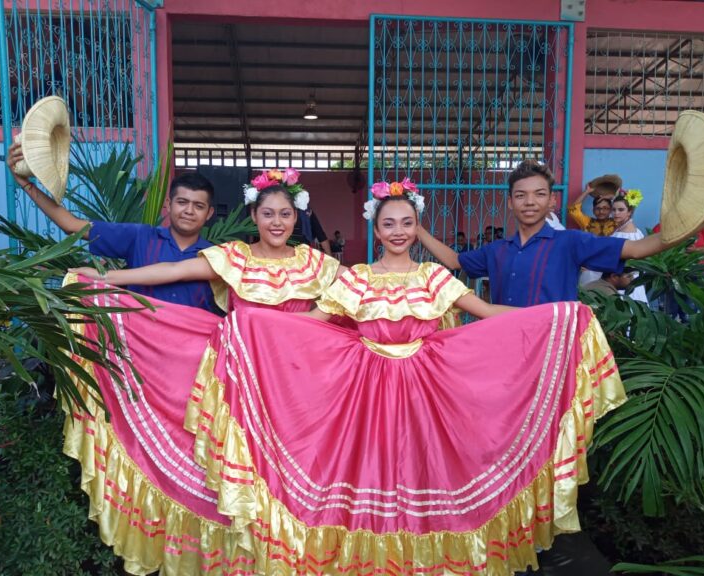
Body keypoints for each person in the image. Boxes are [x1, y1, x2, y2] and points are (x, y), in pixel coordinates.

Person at [175, 179, 626, 574]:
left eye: (406, 223)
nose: (397, 232)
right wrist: (252, 325)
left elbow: (487, 314)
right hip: (364, 388)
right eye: (389, 224)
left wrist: (557, 317)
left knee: (425, 468)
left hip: (427, 388)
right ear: (376, 229)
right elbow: (311, 320)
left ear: (417, 228)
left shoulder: (434, 276)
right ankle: (363, 557)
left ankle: (423, 559)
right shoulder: (357, 279)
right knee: (367, 472)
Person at [64, 169, 342, 574]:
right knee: (239, 474)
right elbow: (171, 271)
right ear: (254, 215)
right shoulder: (234, 257)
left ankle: (287, 560)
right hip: (241, 386)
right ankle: (238, 561)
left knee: (289, 479)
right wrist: (107, 278)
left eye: (284, 214)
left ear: (295, 218)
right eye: (268, 214)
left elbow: (351, 297)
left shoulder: (318, 264)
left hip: (298, 389)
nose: (277, 222)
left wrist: (308, 326)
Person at [417, 159, 704, 307]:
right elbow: (456, 260)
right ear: (510, 202)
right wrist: (417, 230)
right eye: (521, 195)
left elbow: (634, 250)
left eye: (539, 194)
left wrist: (696, 225)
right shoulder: (497, 250)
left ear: (551, 201)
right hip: (505, 342)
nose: (529, 202)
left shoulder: (570, 242)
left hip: (554, 347)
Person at [6, 142, 218, 311]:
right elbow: (71, 225)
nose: (189, 211)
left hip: (197, 355)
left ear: (209, 213)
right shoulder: (140, 237)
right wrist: (26, 184)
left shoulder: (218, 257)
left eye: (198, 206)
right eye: (182, 202)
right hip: (139, 349)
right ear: (168, 204)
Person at [610, 191, 648, 303]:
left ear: (629, 212)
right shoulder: (629, 230)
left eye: (621, 210)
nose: (616, 213)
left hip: (624, 280)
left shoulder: (625, 234)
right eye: (614, 209)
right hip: (628, 280)